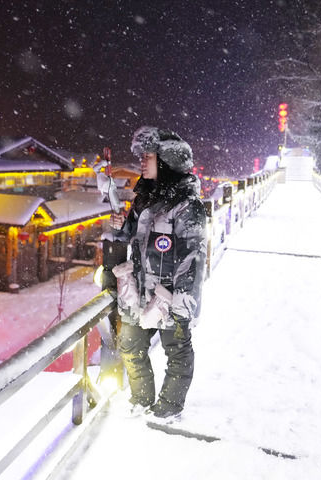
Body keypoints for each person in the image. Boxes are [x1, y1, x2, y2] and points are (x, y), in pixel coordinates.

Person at [108, 126, 207, 418]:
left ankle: (170, 406)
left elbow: (193, 257)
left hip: (168, 294)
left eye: (148, 156)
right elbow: (132, 236)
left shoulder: (188, 205)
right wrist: (120, 226)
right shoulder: (144, 198)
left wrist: (182, 304)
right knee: (129, 345)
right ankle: (142, 399)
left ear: (167, 161)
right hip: (138, 290)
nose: (142, 161)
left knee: (176, 351)